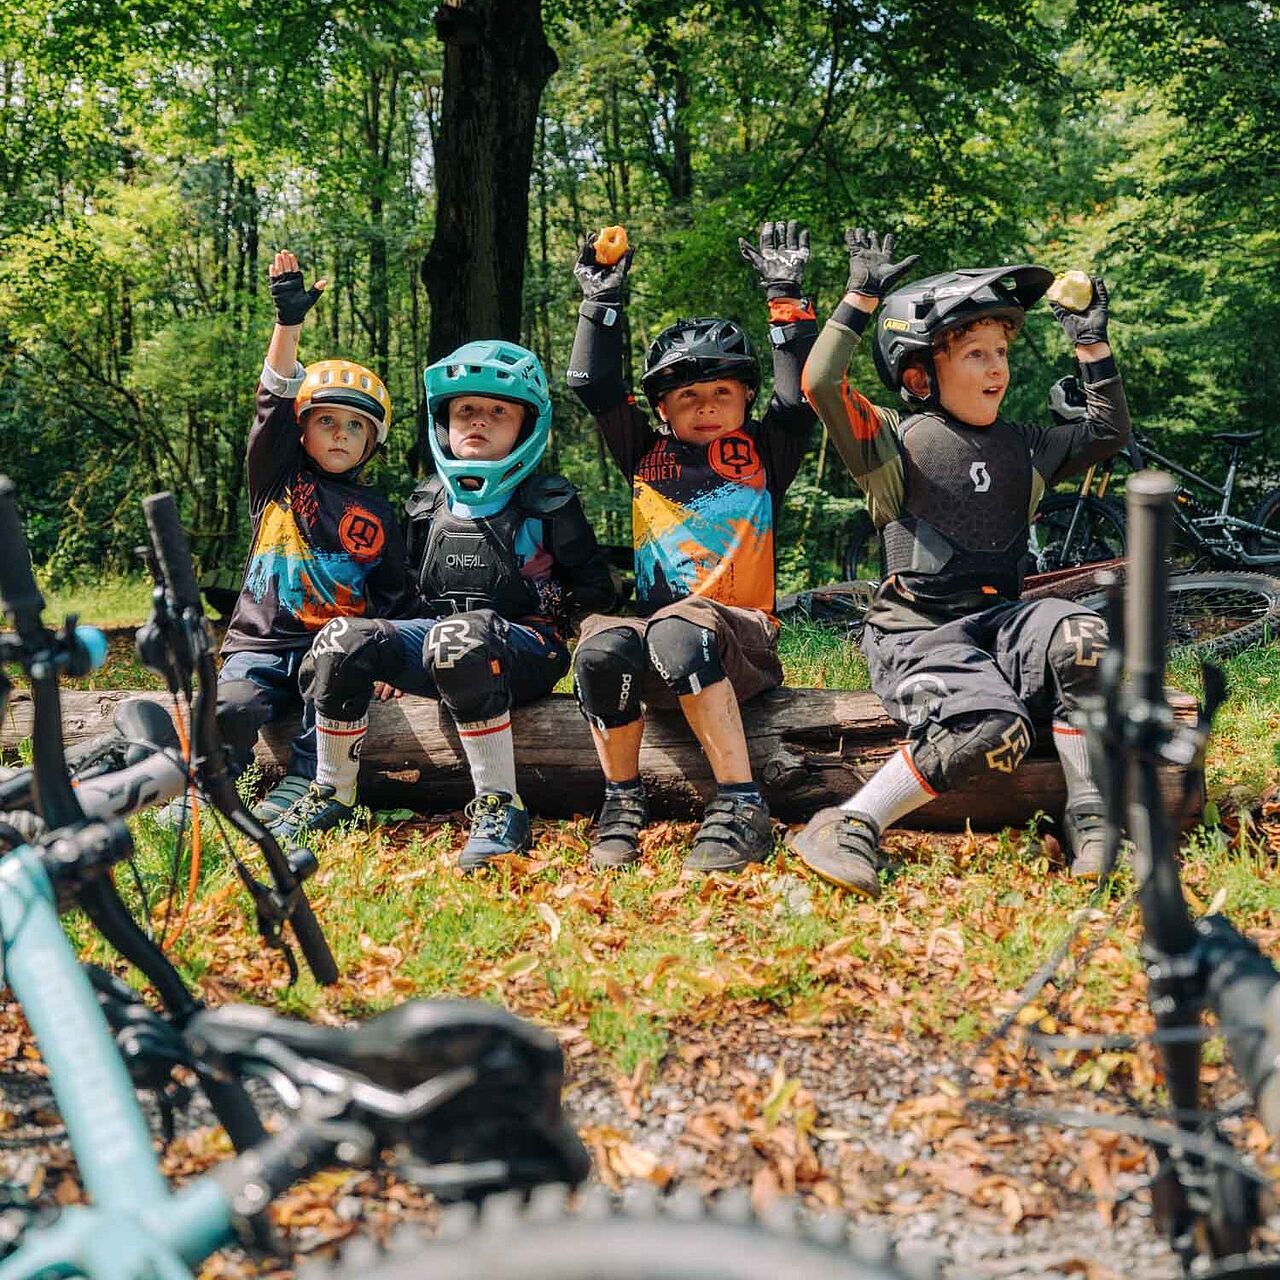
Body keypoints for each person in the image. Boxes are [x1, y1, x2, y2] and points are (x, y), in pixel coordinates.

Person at [789, 230, 1130, 894]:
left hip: (1001, 625)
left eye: (1001, 351)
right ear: (919, 373)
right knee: (990, 731)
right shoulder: (892, 441)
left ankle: (1089, 816)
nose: (997, 368)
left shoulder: (1025, 446)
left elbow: (1108, 431)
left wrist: (1091, 341)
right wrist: (861, 294)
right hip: (918, 635)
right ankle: (850, 823)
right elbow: (820, 382)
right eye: (975, 353)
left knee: (1085, 636)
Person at [273, 339, 616, 870]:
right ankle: (333, 793)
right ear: (444, 422)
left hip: (526, 649)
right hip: (438, 642)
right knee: (342, 638)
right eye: (465, 411)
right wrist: (389, 655)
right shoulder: (424, 503)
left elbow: (594, 588)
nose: (478, 421)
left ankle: (500, 804)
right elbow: (407, 590)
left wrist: (561, 610)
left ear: (526, 425)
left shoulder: (549, 503)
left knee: (459, 636)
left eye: (497, 411)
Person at [565, 221, 818, 873]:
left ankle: (740, 804)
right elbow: (591, 384)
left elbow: (800, 398)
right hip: (663, 641)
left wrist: (785, 295)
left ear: (746, 398)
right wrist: (601, 302)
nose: (706, 408)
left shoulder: (765, 450)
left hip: (743, 639)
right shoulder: (644, 452)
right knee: (597, 643)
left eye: (721, 394)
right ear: (663, 409)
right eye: (688, 397)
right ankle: (622, 801)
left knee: (679, 630)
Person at [159, 249, 416, 829]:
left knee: (323, 706)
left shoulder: (378, 511)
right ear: (301, 431)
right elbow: (272, 403)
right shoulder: (277, 478)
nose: (341, 434)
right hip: (257, 645)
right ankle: (207, 783)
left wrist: (388, 661)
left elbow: (396, 597)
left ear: (373, 443)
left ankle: (305, 782)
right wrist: (288, 324)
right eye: (326, 420)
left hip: (333, 653)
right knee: (229, 705)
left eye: (356, 426)